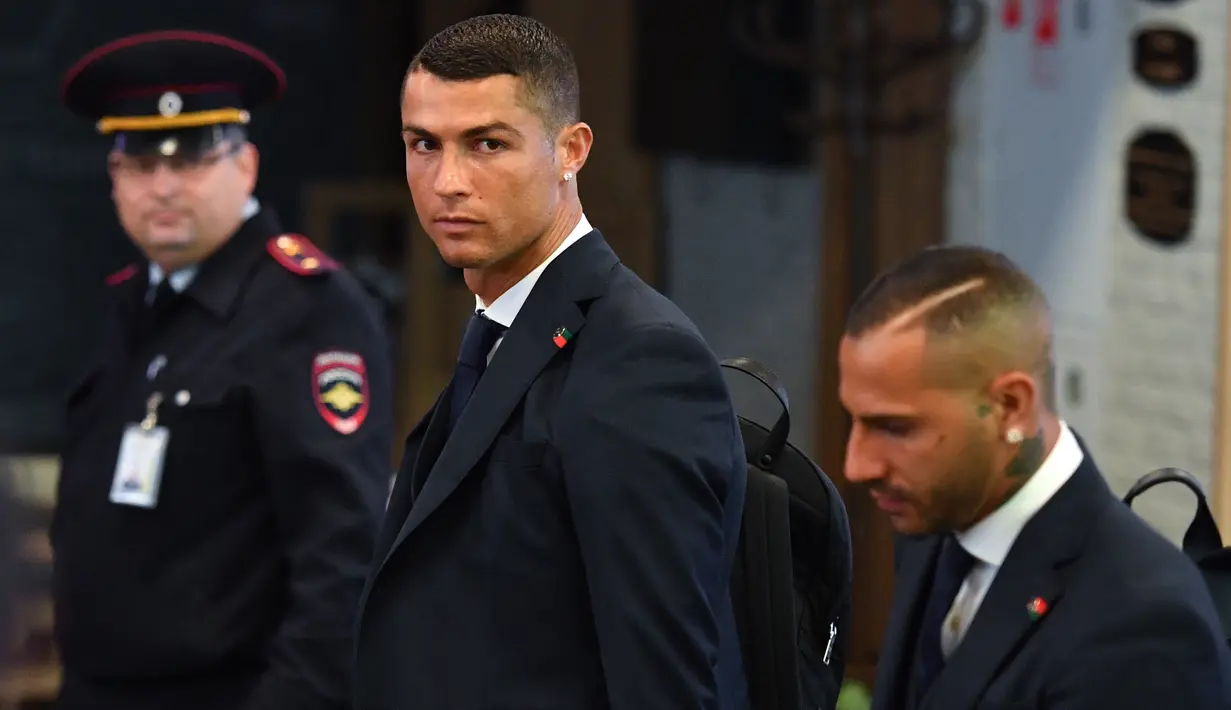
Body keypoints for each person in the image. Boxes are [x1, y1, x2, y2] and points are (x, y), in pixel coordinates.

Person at [354, 14, 748, 710]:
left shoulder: (639, 356)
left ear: (570, 150)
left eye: (486, 144)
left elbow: (664, 675)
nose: (447, 181)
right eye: (424, 144)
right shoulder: (502, 328)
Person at [53, 31, 394, 710]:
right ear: (114, 178)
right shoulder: (135, 299)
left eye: (194, 159)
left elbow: (341, 561)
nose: (165, 187)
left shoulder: (305, 310)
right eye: (142, 163)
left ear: (247, 166)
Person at [839, 245, 1231, 710]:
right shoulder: (933, 529)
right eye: (855, 421)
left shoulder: (1142, 622)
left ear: (1011, 406)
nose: (857, 465)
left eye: (894, 428)